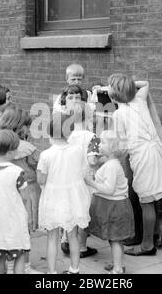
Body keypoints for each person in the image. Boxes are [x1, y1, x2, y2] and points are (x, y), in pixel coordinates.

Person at [109, 74, 162, 256]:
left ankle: (147, 246)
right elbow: (145, 83)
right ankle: (155, 235)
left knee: (146, 201)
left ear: (113, 95)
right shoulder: (139, 100)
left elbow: (121, 144)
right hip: (156, 153)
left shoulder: (118, 113)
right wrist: (130, 84)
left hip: (142, 158)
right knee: (152, 198)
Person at [37, 113, 90, 274]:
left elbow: (41, 179)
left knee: (52, 238)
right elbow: (83, 171)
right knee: (73, 236)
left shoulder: (46, 155)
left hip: (53, 198)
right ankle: (74, 270)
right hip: (73, 197)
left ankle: (52, 272)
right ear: (70, 132)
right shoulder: (78, 150)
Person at [0, 105, 42, 274]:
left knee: (9, 232)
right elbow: (39, 165)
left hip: (5, 195)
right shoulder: (27, 148)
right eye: (26, 126)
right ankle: (25, 267)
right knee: (24, 234)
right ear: (17, 126)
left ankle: (10, 266)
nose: (28, 129)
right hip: (27, 193)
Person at [84, 130, 134, 274]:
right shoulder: (111, 162)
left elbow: (109, 189)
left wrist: (91, 183)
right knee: (114, 239)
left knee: (116, 239)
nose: (99, 144)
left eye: (103, 142)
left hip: (115, 207)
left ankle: (118, 269)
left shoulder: (112, 166)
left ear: (112, 148)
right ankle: (117, 263)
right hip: (112, 206)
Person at [0, 130, 30, 274]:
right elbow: (25, 197)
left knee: (0, 257)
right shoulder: (17, 172)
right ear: (10, 152)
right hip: (13, 220)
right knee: (19, 254)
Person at [65, 102, 98, 258]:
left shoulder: (66, 135)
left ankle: (67, 241)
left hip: (69, 178)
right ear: (89, 116)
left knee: (71, 212)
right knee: (83, 215)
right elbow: (92, 161)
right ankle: (82, 247)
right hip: (85, 180)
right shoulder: (92, 137)